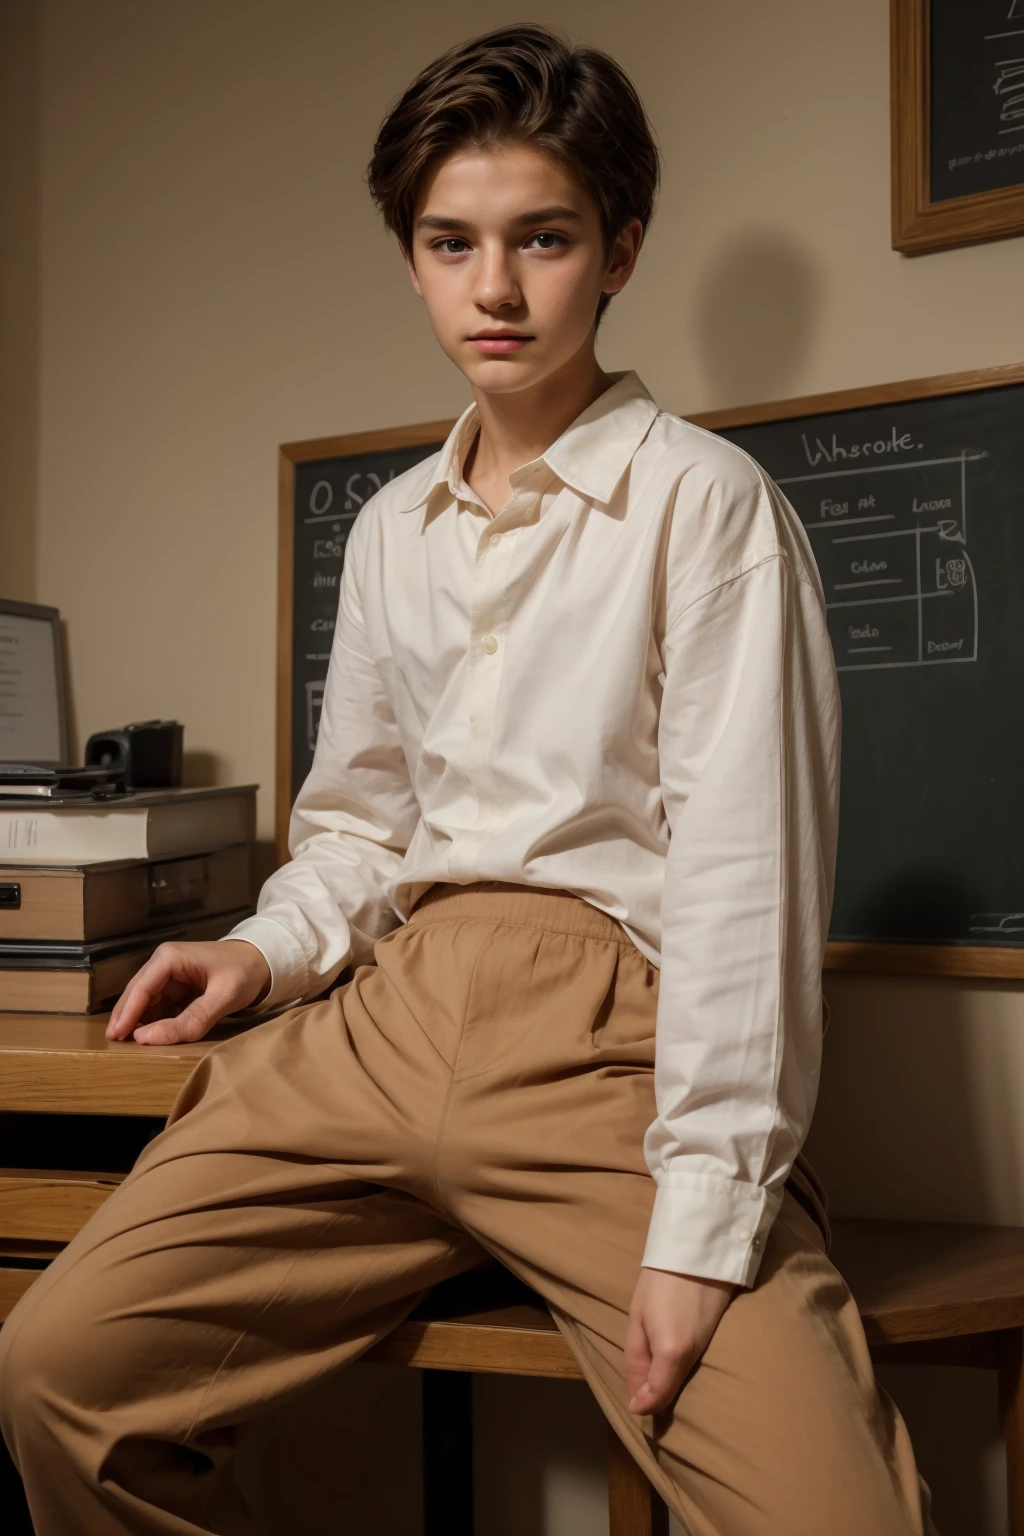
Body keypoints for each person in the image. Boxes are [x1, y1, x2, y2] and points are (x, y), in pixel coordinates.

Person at [0, 24, 938, 1536]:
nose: (493, 289)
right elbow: (364, 827)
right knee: (54, 1370)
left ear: (620, 249)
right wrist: (259, 948)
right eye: (452, 243)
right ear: (414, 257)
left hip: (605, 1049)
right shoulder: (390, 533)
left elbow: (743, 881)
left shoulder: (706, 506)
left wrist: (701, 1227)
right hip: (381, 1024)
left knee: (835, 1517)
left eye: (543, 239)